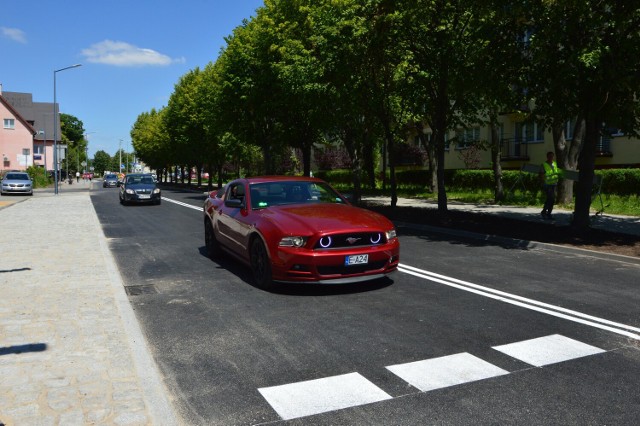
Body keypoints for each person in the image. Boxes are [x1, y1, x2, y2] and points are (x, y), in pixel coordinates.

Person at [539, 151, 561, 220]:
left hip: (554, 184)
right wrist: (543, 183)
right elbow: (541, 174)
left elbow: (556, 173)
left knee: (552, 199)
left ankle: (547, 213)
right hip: (547, 184)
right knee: (550, 198)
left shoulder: (555, 164)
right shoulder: (544, 165)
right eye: (550, 156)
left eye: (552, 156)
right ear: (547, 157)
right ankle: (545, 212)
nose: (551, 157)